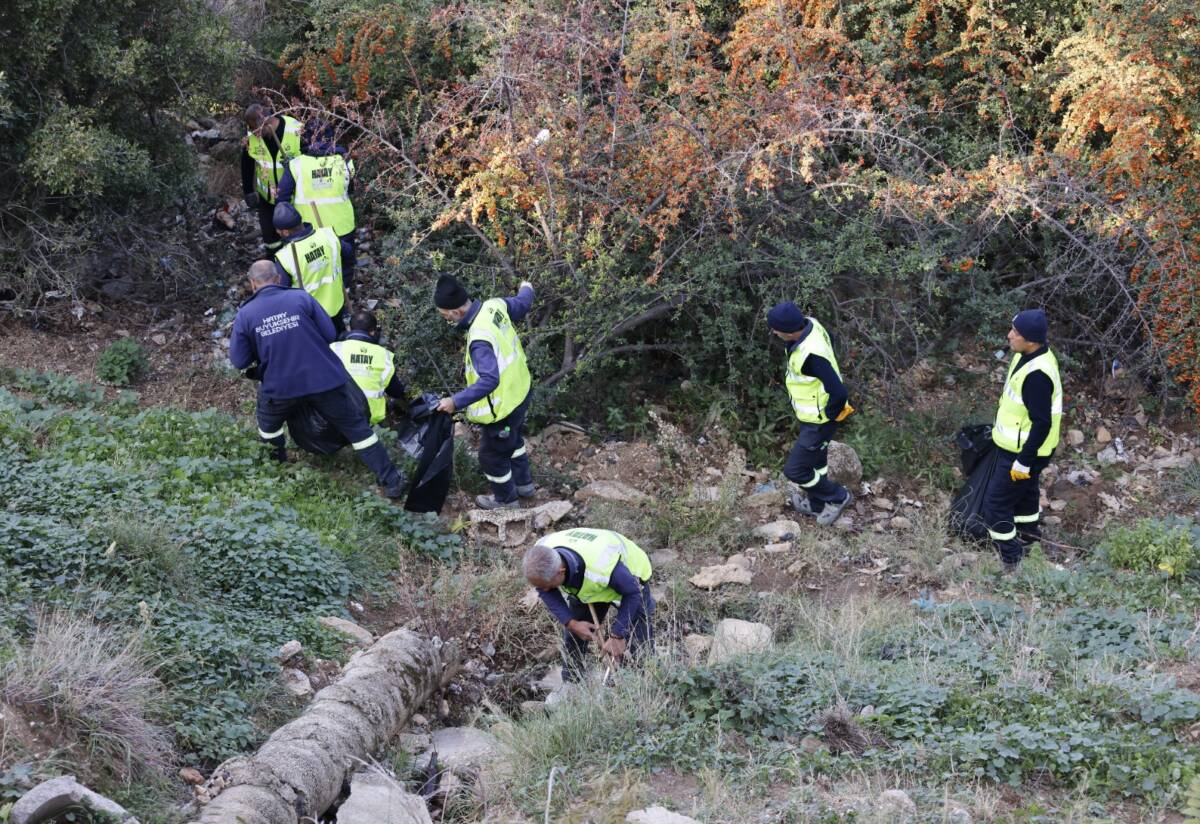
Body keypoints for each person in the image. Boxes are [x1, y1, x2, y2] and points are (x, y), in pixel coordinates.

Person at [229, 261, 405, 498]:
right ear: (279, 278)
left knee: (269, 427)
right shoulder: (301, 298)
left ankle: (277, 469)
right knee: (358, 430)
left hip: (281, 387)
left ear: (252, 284)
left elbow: (240, 360)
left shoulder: (246, 314)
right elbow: (330, 334)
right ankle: (392, 482)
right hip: (323, 380)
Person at [433, 274, 535, 509]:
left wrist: (455, 401)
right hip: (521, 392)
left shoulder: (479, 338)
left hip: (503, 406)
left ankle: (505, 501)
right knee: (514, 439)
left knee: (491, 456)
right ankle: (525, 486)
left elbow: (489, 380)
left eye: (444, 314)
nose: (445, 318)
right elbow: (523, 302)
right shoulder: (494, 306)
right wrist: (526, 286)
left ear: (457, 311)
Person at [983, 309, 1062, 571]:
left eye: (1015, 332)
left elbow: (1042, 423)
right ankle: (1029, 542)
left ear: (1030, 339)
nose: (1009, 335)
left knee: (996, 505)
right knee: (1026, 498)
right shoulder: (1030, 355)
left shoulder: (1037, 375)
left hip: (1023, 453)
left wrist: (1023, 462)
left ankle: (1010, 559)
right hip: (1023, 449)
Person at [522, 528, 654, 681]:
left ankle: (643, 682)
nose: (544, 590)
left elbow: (632, 592)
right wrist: (571, 623)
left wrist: (617, 634)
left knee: (640, 639)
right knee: (574, 634)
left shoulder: (600, 566)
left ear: (561, 571)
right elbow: (544, 590)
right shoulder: (542, 551)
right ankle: (571, 682)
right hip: (588, 582)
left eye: (547, 585)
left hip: (632, 581)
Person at [768, 301, 855, 526]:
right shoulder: (812, 325)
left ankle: (837, 497)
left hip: (819, 421)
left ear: (788, 330)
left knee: (795, 470)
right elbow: (831, 339)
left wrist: (828, 416)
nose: (774, 332)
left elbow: (839, 392)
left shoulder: (811, 357)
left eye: (775, 329)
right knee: (817, 464)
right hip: (813, 418)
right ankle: (817, 505)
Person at [272, 203, 352, 335]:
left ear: (285, 232)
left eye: (278, 231)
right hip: (337, 306)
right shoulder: (328, 236)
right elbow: (349, 255)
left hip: (312, 317)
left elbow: (281, 295)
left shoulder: (285, 257)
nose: (277, 233)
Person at [278, 121, 356, 250]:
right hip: (342, 227)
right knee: (345, 265)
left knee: (316, 269)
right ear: (332, 138)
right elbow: (351, 188)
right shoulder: (344, 160)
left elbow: (281, 198)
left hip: (308, 232)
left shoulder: (295, 165)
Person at [240, 104, 303, 251]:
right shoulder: (252, 136)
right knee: (271, 240)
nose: (254, 134)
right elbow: (247, 163)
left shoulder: (296, 129)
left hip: (294, 199)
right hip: (267, 199)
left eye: (256, 131)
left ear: (266, 122)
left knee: (296, 238)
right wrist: (248, 190)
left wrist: (295, 163)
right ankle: (273, 265)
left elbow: (310, 158)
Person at [330, 310, 406, 425]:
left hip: (337, 414)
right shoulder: (383, 355)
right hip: (371, 417)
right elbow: (395, 391)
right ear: (373, 332)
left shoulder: (334, 349)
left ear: (349, 329)